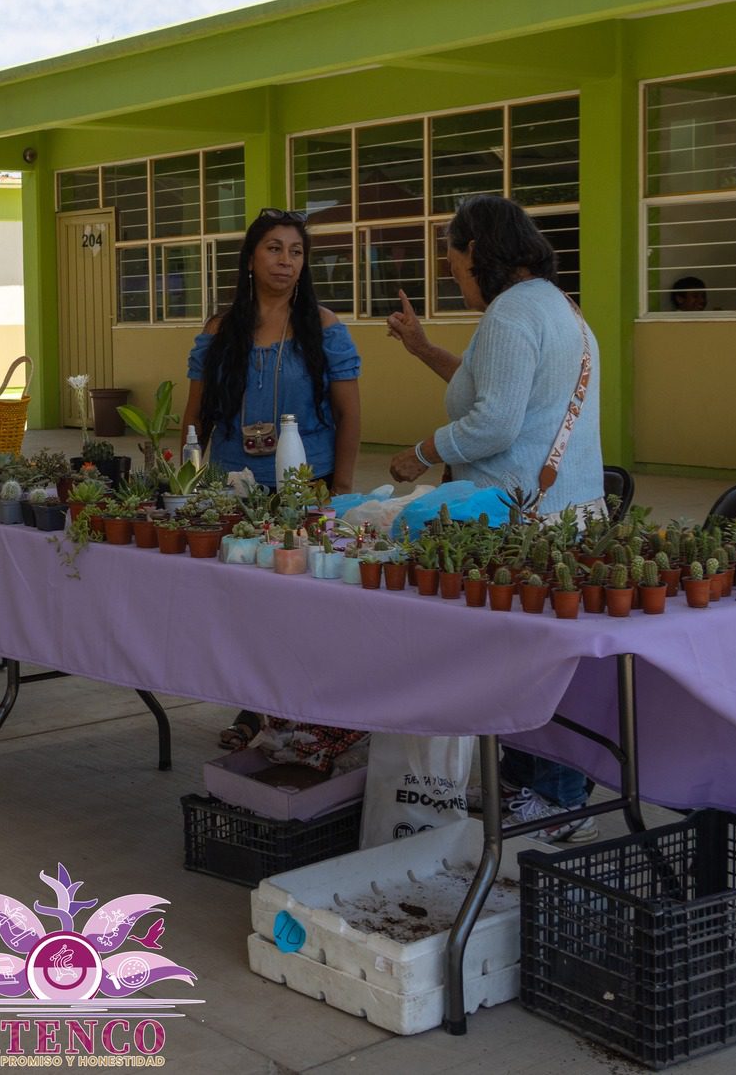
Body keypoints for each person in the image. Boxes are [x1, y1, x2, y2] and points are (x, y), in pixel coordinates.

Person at [386, 194, 604, 843]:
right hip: (566, 516)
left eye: (453, 266)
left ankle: (552, 797)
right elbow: (497, 388)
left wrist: (422, 453)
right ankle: (537, 781)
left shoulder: (510, 314)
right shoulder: (559, 307)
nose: (455, 278)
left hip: (521, 521)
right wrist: (425, 349)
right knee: (543, 658)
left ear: (478, 251)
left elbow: (495, 421)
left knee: (526, 663)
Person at [179, 210, 362, 492]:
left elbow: (348, 415)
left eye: (296, 252)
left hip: (308, 484)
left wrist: (341, 487)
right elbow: (196, 416)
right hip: (229, 484)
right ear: (250, 259)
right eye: (274, 248)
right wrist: (185, 485)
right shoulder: (218, 330)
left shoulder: (325, 326)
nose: (286, 261)